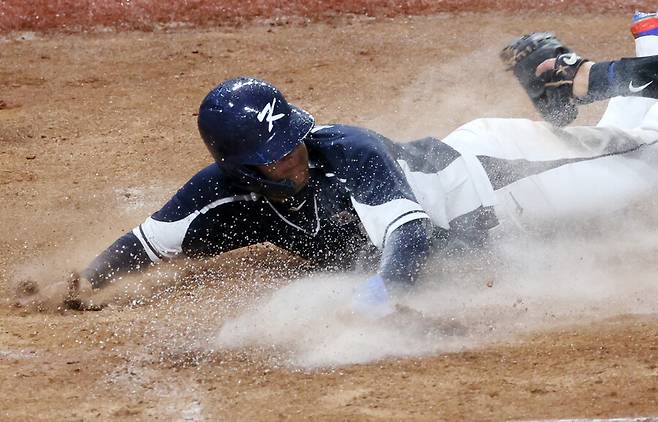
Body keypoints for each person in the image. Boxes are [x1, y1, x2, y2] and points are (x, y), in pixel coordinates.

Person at [44, 11, 658, 316]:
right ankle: (562, 70)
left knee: (647, 162)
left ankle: (599, 57)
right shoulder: (219, 197)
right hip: (492, 216)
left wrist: (384, 298)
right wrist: (83, 285)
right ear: (239, 168)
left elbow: (407, 234)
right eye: (271, 157)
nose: (290, 159)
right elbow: (146, 245)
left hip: (507, 179)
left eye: (290, 143)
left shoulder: (349, 152)